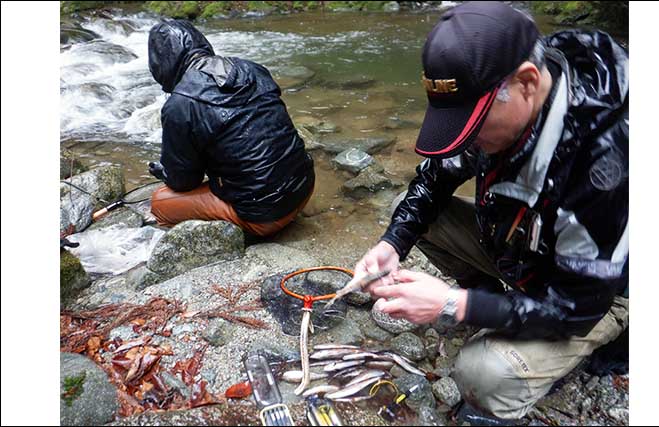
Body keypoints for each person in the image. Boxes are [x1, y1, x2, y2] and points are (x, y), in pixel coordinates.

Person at [353, 2, 629, 424]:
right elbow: (433, 180)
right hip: (530, 249)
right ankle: (504, 308)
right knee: (408, 214)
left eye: (474, 123)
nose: (466, 138)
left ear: (526, 83)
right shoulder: (515, 86)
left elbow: (577, 307)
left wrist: (454, 304)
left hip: (601, 291)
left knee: (482, 375)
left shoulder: (605, 163)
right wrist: (393, 242)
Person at [146, 19, 314, 236]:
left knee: (160, 202)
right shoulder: (251, 68)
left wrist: (165, 173)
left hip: (266, 214)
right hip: (305, 186)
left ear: (160, 63)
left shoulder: (179, 104)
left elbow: (184, 182)